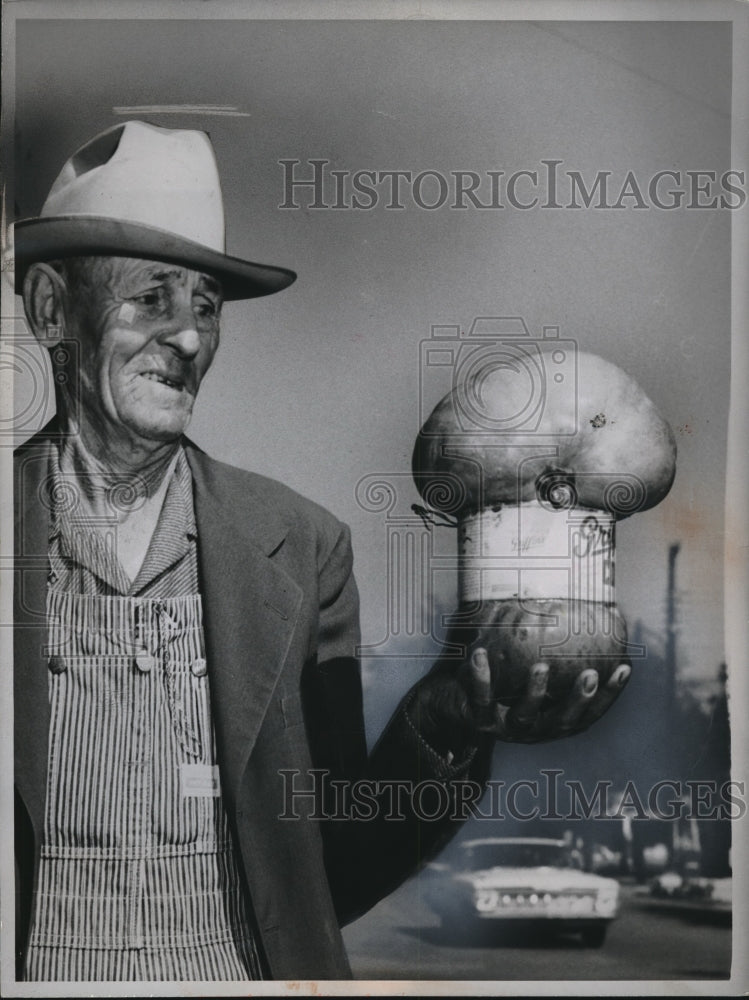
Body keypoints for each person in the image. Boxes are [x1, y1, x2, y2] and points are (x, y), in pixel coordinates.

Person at [12, 121, 631, 982]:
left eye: (206, 306)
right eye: (151, 299)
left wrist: (445, 721)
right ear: (50, 309)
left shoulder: (298, 548)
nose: (189, 340)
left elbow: (331, 869)